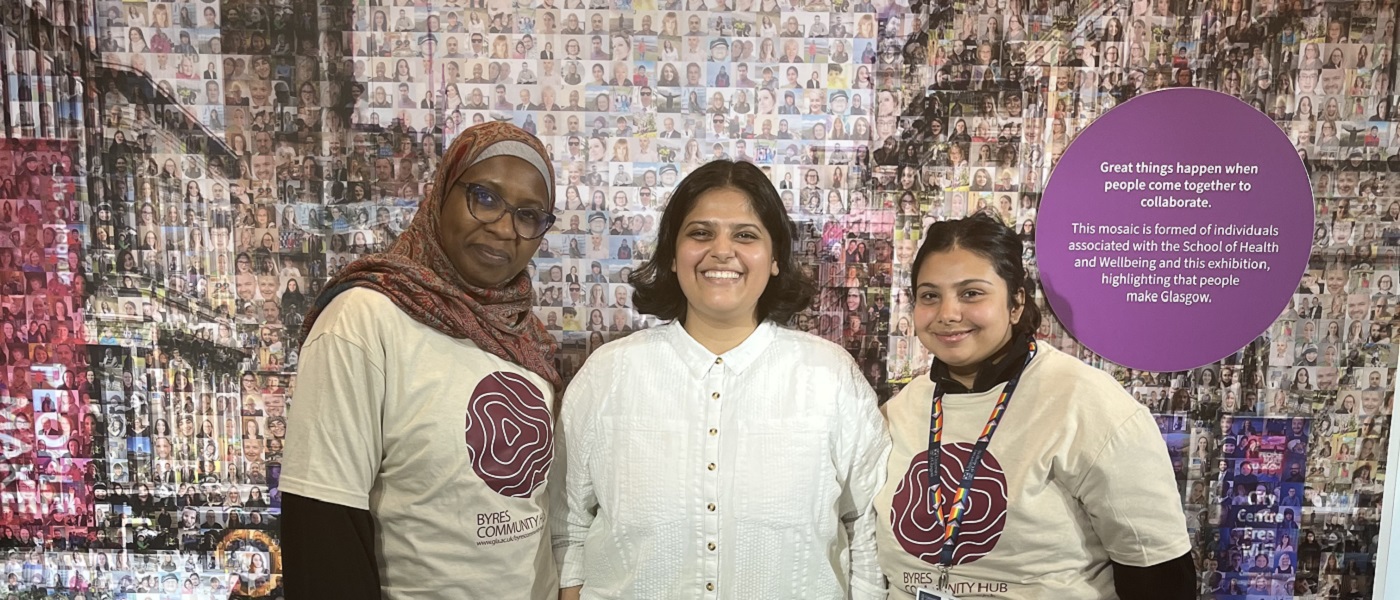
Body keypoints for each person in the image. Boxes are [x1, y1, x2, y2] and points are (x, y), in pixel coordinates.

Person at [553, 160, 890, 598]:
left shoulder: (830, 377)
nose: (722, 250)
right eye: (700, 233)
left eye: (745, 235)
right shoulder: (610, 374)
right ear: (673, 256)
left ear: (774, 260)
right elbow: (569, 525)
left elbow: (865, 525)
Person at [280, 122, 562, 599]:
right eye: (485, 197)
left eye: (529, 215)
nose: (504, 227)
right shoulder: (364, 320)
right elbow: (324, 529)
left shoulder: (526, 338)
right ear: (441, 194)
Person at [874, 211, 1194, 599]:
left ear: (1015, 303)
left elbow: (1158, 573)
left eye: (971, 293)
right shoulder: (900, 412)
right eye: (930, 296)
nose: (948, 314)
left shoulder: (1087, 404)